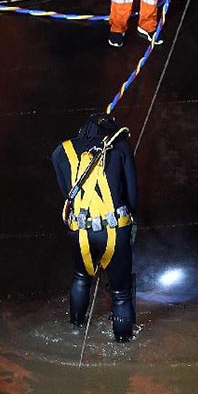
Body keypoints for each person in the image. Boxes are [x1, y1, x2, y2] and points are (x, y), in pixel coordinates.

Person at [51, 112, 137, 342]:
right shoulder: (120, 147)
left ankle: (75, 329)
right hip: (115, 230)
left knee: (80, 277)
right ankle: (124, 347)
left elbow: (67, 195)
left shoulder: (62, 151)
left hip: (81, 231)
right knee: (120, 294)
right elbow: (133, 198)